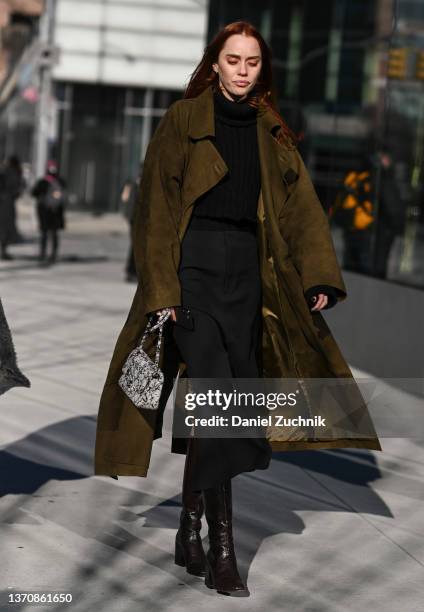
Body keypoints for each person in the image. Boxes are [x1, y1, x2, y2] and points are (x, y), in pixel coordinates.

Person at [94, 21, 381, 597]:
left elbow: (300, 207)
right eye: (233, 59)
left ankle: (189, 525)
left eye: (252, 61)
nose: (243, 70)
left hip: (248, 278)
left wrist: (316, 276)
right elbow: (154, 210)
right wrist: (164, 293)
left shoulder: (271, 130)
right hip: (193, 271)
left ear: (260, 69)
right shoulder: (183, 120)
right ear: (216, 63)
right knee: (221, 402)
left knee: (223, 409)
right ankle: (224, 549)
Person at [31, 160, 67, 264]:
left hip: (44, 211)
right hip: (56, 211)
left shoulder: (43, 182)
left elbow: (34, 193)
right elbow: (64, 197)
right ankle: (53, 254)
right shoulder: (61, 182)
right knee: (54, 233)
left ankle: (43, 254)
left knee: (44, 233)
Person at [0, 155, 25, 260]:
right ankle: (4, 251)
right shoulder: (13, 173)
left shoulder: (5, 171)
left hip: (5, 202)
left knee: (4, 228)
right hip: (6, 203)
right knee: (6, 228)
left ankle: (4, 251)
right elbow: (17, 189)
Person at [119, 169, 141, 282]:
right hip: (134, 219)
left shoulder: (136, 185)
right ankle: (130, 271)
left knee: (135, 246)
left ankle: (131, 271)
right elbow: (125, 199)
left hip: (136, 219)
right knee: (135, 246)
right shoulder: (133, 185)